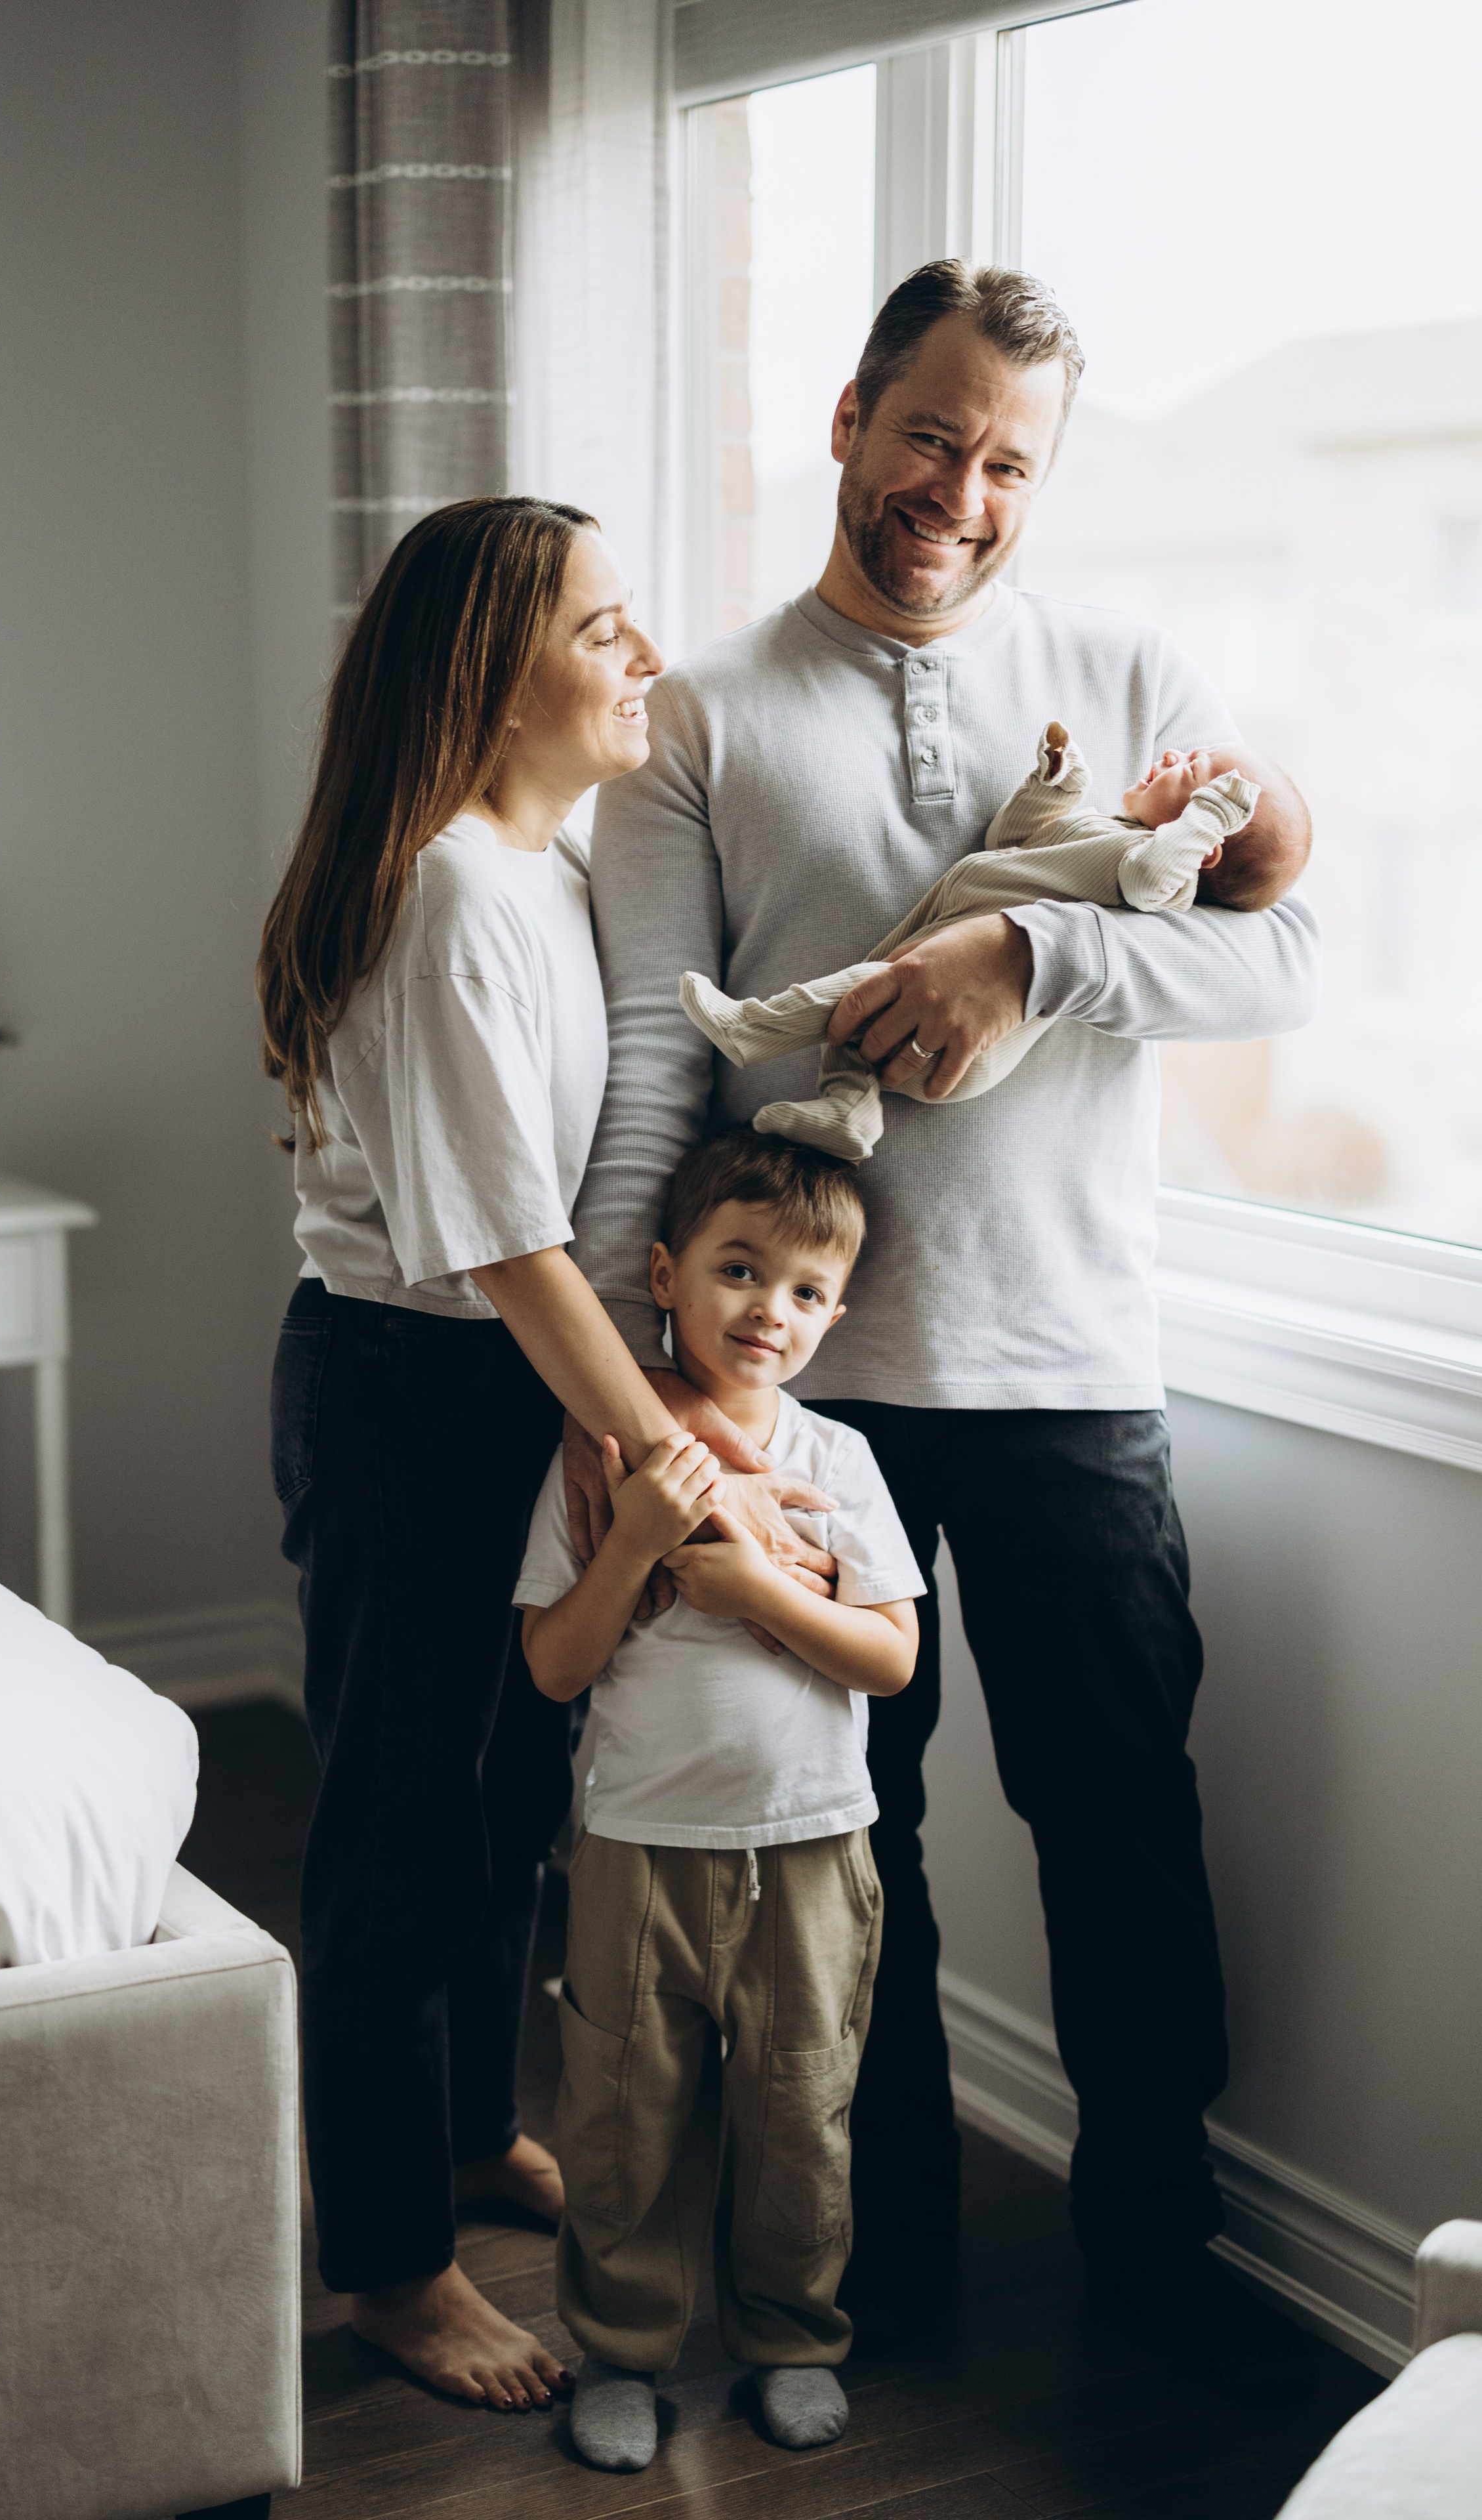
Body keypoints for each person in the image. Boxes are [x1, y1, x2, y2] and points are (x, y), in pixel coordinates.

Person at [567, 260, 1322, 2401]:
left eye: (1007, 461)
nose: (958, 492)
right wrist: (630, 1409)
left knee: (1120, 1825)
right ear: (847, 415)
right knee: (840, 1862)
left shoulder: (1129, 671)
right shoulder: (698, 715)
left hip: (1079, 1376)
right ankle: (869, 2259)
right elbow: (653, 1069)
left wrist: (1032, 963)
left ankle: (1153, 2253)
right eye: (930, 433)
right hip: (807, 1410)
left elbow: (1281, 964)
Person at [255, 496, 834, 2414]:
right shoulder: (441, 894)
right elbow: (503, 1244)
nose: (642, 658)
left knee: (494, 1809)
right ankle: (389, 2267)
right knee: (395, 1827)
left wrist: (596, 1408)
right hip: (411, 1391)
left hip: (497, 1379)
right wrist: (675, 1444)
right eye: (604, 627)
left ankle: (441, 2137)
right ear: (490, 670)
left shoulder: (531, 872)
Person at [514, 1130, 924, 2471]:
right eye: (739, 1271)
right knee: (620, 2114)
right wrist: (635, 1540)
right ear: (663, 1275)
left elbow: (892, 1656)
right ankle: (621, 2352)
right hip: (640, 1850)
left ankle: (791, 2337)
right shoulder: (599, 1452)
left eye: (806, 1291)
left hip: (812, 1850)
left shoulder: (841, 1462)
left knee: (799, 2112)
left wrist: (758, 1593)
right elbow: (552, 1666)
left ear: (835, 1315)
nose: (770, 1310)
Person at [680, 721, 1310, 1157]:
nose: (1172, 756)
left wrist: (1029, 957)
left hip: (963, 1040)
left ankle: (754, 1029)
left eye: (1194, 774)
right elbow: (1011, 841)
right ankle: (847, 1114)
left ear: (1205, 844)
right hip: (937, 935)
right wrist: (1053, 786)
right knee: (857, 1023)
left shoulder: (1157, 873)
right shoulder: (1108, 830)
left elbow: (1156, 884)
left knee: (860, 993)